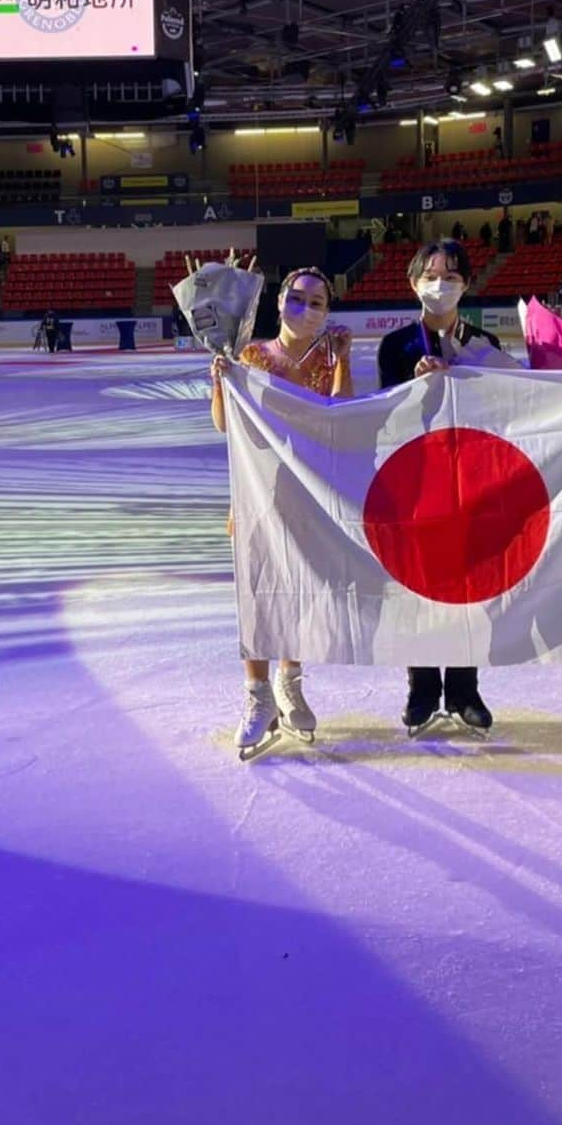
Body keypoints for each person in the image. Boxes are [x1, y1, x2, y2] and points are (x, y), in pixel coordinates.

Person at [210, 266, 353, 757]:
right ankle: (257, 696)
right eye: (297, 297)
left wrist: (344, 361)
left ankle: (291, 683)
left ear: (328, 313)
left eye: (317, 302)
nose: (306, 308)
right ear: (278, 302)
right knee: (257, 593)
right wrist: (220, 381)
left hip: (307, 494)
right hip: (257, 491)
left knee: (298, 592)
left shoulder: (328, 356)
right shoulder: (253, 355)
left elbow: (344, 416)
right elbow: (228, 424)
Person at [376, 239, 505, 735]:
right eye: (430, 277)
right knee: (420, 590)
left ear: (466, 284)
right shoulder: (396, 345)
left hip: (472, 482)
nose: (440, 285)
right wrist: (414, 385)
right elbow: (384, 415)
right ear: (413, 284)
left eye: (451, 277)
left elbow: (501, 409)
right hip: (416, 483)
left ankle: (465, 689)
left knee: (471, 589)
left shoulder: (485, 344)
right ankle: (423, 688)